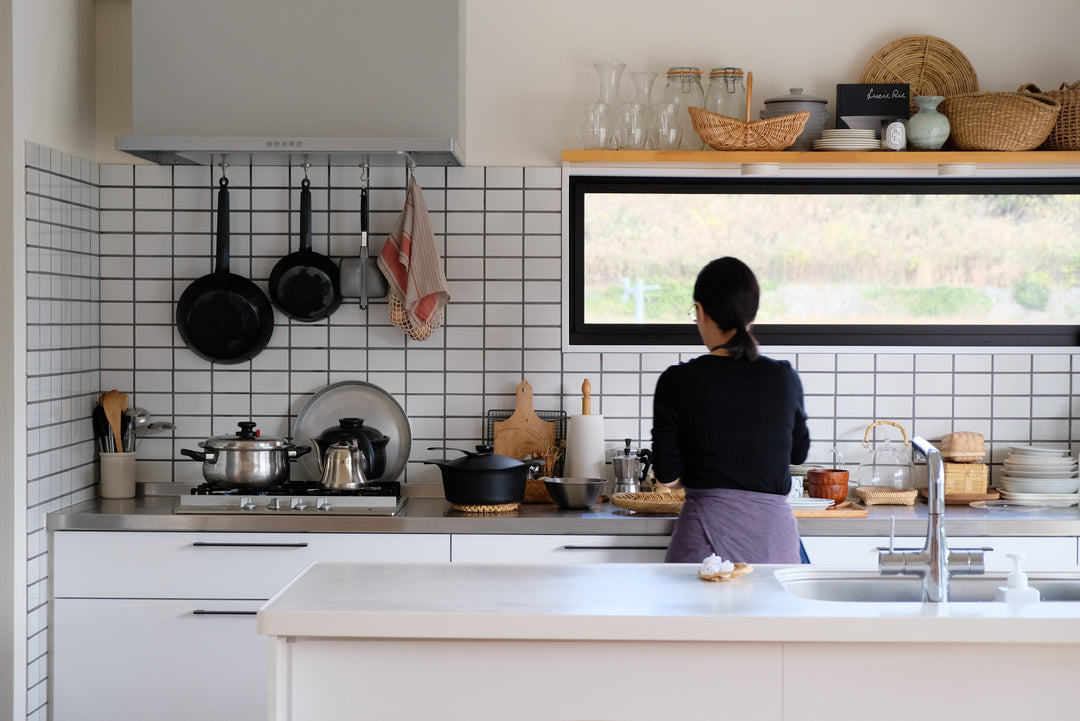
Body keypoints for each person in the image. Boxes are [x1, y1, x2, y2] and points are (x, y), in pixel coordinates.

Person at [652, 257, 810, 564]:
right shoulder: (783, 378)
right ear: (752, 314)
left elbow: (667, 475)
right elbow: (797, 454)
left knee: (690, 612)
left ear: (701, 312)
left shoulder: (676, 381)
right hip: (773, 544)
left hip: (702, 541)